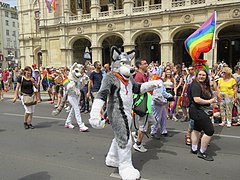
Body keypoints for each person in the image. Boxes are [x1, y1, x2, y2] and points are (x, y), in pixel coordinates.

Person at [188, 68, 216, 161]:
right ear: (196, 75)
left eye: (203, 75)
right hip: (197, 110)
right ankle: (202, 152)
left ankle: (194, 148)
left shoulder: (202, 85)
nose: (201, 76)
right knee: (209, 131)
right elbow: (197, 99)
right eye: (200, 74)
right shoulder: (196, 85)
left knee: (197, 129)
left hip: (197, 110)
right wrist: (210, 101)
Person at [132, 59, 155, 153]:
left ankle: (137, 134)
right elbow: (138, 91)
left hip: (147, 102)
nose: (147, 65)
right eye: (144, 63)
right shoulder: (138, 76)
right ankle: (138, 144)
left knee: (152, 121)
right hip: (142, 104)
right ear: (139, 66)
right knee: (143, 126)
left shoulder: (144, 75)